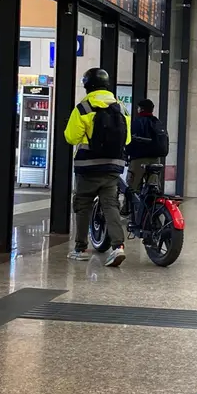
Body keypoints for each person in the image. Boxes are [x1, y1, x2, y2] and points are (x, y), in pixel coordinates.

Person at [64, 68, 132, 267]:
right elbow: (126, 138)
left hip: (88, 167)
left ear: (87, 85)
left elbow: (71, 137)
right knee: (110, 205)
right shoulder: (121, 107)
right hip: (113, 166)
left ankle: (80, 248)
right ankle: (118, 247)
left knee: (83, 204)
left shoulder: (83, 107)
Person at [123, 98, 169, 193]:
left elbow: (129, 140)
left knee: (133, 189)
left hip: (138, 160)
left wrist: (126, 153)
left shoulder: (136, 122)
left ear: (141, 109)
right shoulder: (157, 122)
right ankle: (152, 206)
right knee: (153, 189)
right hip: (155, 160)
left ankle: (132, 208)